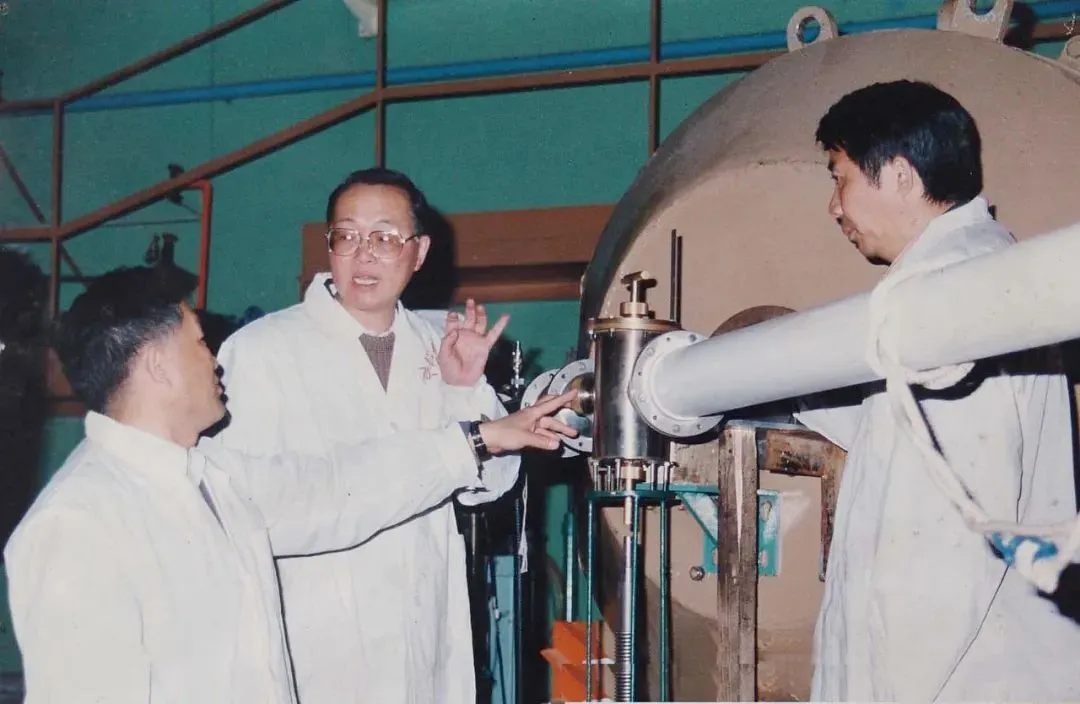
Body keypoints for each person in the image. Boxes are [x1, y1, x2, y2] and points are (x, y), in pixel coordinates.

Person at [3, 265, 577, 704]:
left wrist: (481, 437)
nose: (215, 362)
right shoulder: (80, 524)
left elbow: (341, 485)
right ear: (157, 365)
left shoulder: (213, 477)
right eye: (199, 343)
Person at [795, 79, 1080, 702]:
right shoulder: (970, 277)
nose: (834, 206)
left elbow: (935, 566)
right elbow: (892, 430)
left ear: (900, 175)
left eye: (840, 178)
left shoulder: (950, 302)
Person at [214, 167, 521, 703]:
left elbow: (490, 485)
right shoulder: (260, 350)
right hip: (315, 644)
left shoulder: (439, 342)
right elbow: (240, 509)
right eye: (347, 236)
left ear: (419, 252)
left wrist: (466, 388)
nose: (364, 255)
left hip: (423, 639)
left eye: (385, 237)